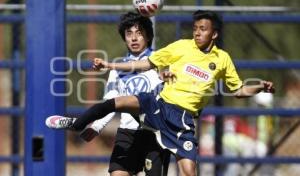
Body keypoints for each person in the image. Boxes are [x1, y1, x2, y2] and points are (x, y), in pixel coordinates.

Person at [46, 10, 275, 176]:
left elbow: (239, 90)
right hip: (158, 104)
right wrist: (110, 65)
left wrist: (260, 87)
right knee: (117, 102)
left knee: (188, 171)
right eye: (195, 28)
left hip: (181, 121)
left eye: (202, 29)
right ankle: (77, 124)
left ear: (214, 34)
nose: (197, 33)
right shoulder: (180, 47)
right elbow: (147, 64)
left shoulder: (222, 59)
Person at [82, 12, 171, 176]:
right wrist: (96, 127)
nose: (134, 38)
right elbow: (110, 102)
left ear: (148, 36)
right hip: (127, 133)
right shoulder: (117, 68)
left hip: (155, 133)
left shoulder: (160, 62)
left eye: (139, 33)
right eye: (129, 34)